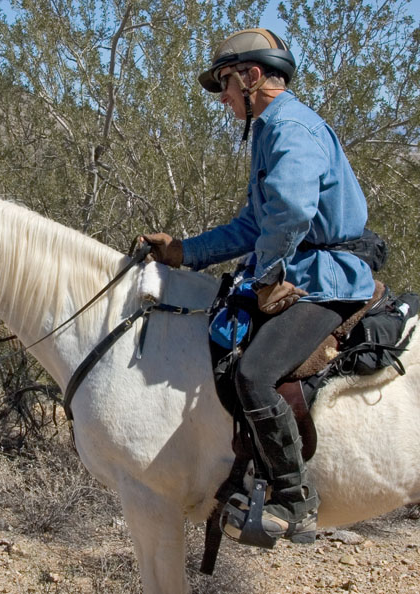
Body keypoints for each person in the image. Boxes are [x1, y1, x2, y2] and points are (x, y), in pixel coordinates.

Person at [140, 28, 375, 546]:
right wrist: (185, 252)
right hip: (302, 272)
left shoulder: (290, 128)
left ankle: (295, 499)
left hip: (326, 282)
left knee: (254, 373)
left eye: (225, 83)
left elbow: (291, 212)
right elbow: (253, 224)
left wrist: (264, 273)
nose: (222, 97)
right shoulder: (269, 132)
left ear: (252, 76)